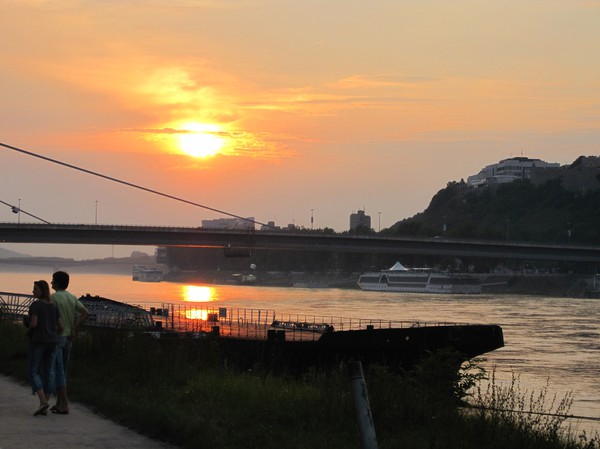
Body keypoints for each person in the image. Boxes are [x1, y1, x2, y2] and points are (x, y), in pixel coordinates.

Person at [50, 270, 89, 414]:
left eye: (53, 280)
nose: (51, 282)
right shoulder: (72, 297)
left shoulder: (53, 298)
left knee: (58, 371)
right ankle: (59, 403)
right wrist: (74, 327)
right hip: (69, 338)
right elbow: (85, 313)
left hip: (57, 337)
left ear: (58, 283)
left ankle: (65, 405)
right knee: (63, 370)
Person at [28, 280, 63, 416]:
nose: (33, 291)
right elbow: (60, 327)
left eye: (35, 289)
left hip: (39, 341)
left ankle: (43, 401)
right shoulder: (54, 306)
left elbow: (34, 324)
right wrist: (50, 328)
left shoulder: (36, 305)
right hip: (53, 341)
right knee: (49, 372)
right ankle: (45, 403)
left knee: (34, 371)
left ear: (42, 291)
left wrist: (29, 324)